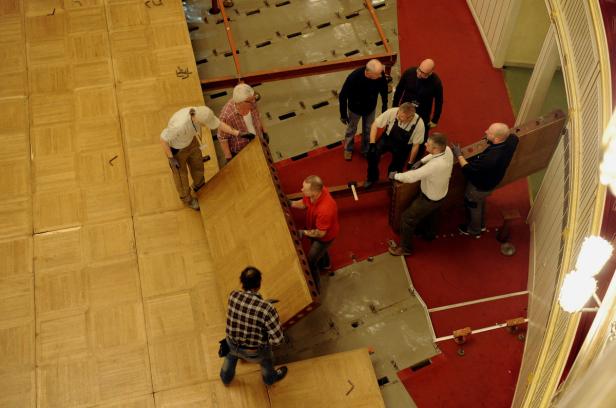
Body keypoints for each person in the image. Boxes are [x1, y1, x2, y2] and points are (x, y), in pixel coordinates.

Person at [160, 106, 250, 210]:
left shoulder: (202, 113)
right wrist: (171, 158)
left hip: (191, 141)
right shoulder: (179, 125)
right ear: (198, 121)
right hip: (177, 150)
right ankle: (187, 199)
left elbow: (219, 124)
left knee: (197, 165)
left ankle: (198, 185)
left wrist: (238, 133)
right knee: (181, 177)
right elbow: (163, 139)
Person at [220, 266, 288, 386]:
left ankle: (225, 378)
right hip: (254, 352)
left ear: (242, 283)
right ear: (259, 284)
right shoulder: (268, 309)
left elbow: (245, 310)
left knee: (230, 358)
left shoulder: (233, 295)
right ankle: (270, 379)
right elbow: (277, 341)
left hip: (231, 343)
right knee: (267, 360)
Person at [388, 133, 454, 256]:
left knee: (407, 218)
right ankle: (429, 235)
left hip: (428, 198)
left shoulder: (435, 166)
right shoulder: (448, 150)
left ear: (435, 148)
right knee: (433, 215)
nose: (425, 144)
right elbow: (433, 156)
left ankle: (405, 248)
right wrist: (421, 160)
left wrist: (395, 176)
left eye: (428, 144)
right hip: (441, 194)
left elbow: (413, 176)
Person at [452, 122, 519, 237]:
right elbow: (514, 136)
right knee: (480, 202)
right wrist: (490, 139)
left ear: (497, 139)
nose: (485, 131)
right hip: (491, 183)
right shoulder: (511, 141)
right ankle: (481, 225)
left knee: (473, 205)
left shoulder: (490, 159)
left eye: (489, 132)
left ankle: (474, 230)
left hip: (478, 187)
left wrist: (459, 155)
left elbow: (468, 169)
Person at [291, 175, 339, 292]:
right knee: (322, 252)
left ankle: (316, 289)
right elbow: (304, 203)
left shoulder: (326, 209)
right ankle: (326, 264)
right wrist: (290, 203)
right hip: (315, 228)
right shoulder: (314, 195)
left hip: (325, 237)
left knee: (311, 262)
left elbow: (321, 234)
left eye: (304, 189)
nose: (301, 190)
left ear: (313, 192)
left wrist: (303, 233)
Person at [365, 102, 425, 188]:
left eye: (402, 118)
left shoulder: (419, 124)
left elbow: (416, 145)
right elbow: (375, 124)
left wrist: (410, 162)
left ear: (411, 118)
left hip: (403, 146)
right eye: (398, 115)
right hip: (387, 139)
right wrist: (372, 144)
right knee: (372, 155)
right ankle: (372, 178)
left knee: (396, 167)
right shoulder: (393, 112)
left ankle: (392, 183)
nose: (398, 118)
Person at [339, 59, 389, 161]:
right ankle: (348, 148)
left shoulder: (379, 74)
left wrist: (385, 105)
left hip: (370, 107)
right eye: (378, 74)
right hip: (355, 109)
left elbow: (384, 89)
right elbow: (342, 96)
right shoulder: (354, 77)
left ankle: (365, 150)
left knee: (369, 130)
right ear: (369, 73)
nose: (380, 76)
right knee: (351, 129)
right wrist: (343, 114)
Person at [392, 58, 443, 147]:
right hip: (405, 107)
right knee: (400, 126)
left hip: (423, 111)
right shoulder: (409, 73)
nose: (419, 74)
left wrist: (435, 119)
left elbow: (439, 101)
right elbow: (399, 90)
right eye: (419, 70)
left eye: (423, 73)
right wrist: (395, 107)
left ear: (430, 72)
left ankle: (419, 151)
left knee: (421, 133)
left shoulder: (436, 83)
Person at [217, 83, 268, 162]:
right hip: (241, 151)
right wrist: (229, 158)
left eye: (253, 99)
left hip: (257, 142)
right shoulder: (227, 115)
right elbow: (222, 138)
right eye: (251, 101)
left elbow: (259, 115)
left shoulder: (251, 102)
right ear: (240, 102)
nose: (254, 101)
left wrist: (265, 132)